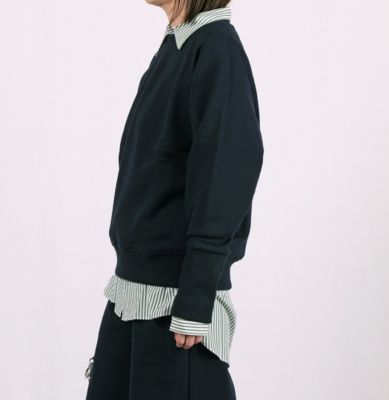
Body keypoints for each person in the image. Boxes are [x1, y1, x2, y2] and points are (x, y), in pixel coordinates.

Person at [85, 1, 264, 399]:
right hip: (130, 292)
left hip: (174, 303)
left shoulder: (216, 48)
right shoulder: (176, 47)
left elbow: (228, 170)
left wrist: (196, 297)